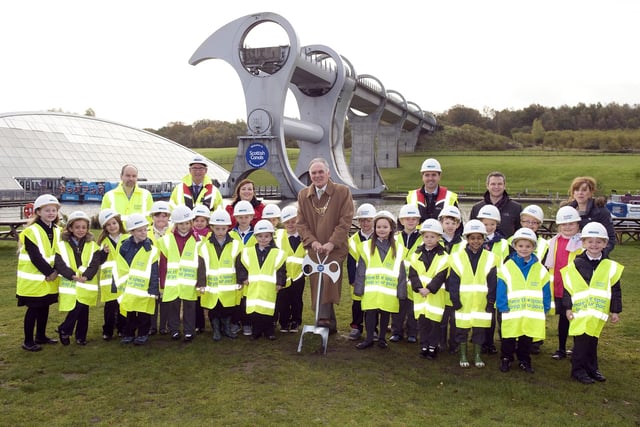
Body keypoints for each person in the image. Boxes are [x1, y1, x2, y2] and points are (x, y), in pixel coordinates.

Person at [297, 158, 354, 332]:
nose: (317, 175)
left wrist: (331, 243)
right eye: (314, 173)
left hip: (334, 248)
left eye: (321, 172)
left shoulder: (342, 191)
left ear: (328, 173)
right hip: (314, 248)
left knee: (328, 280)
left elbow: (346, 220)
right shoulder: (303, 195)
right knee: (317, 282)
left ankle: (322, 321)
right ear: (310, 175)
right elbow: (301, 223)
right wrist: (313, 242)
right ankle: (329, 323)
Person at [562, 222, 623, 384]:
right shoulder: (576, 264)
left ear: (605, 244)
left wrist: (615, 311)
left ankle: (591, 368)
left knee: (592, 341)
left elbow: (615, 290)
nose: (594, 245)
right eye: (590, 241)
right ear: (583, 243)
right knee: (581, 343)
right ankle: (578, 370)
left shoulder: (609, 266)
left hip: (597, 312)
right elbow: (568, 287)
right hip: (580, 312)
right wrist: (567, 308)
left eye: (598, 241)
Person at [497, 228, 551, 374]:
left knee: (526, 337)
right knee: (508, 336)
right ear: (514, 246)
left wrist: (545, 307)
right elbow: (502, 287)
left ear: (534, 247)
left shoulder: (540, 269)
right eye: (520, 246)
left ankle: (524, 360)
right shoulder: (507, 266)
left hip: (531, 311)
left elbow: (546, 289)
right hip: (511, 310)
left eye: (528, 246)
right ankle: (506, 358)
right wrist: (502, 305)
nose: (524, 249)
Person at [353, 211, 407, 349]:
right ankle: (369, 338)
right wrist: (358, 288)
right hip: (370, 289)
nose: (381, 230)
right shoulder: (366, 246)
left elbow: (401, 273)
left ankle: (382, 338)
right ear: (374, 228)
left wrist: (401, 292)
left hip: (388, 290)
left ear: (391, 229)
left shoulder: (399, 249)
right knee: (370, 314)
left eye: (385, 227)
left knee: (385, 315)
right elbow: (361, 270)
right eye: (378, 227)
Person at [447, 220, 497, 368]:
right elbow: (453, 282)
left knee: (479, 330)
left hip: (482, 302)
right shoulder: (457, 257)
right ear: (467, 239)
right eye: (472, 238)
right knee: (461, 329)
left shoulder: (490, 257)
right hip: (463, 301)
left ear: (484, 238)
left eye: (479, 238)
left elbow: (493, 282)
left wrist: (490, 301)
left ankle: (477, 355)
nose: (476, 241)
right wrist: (455, 299)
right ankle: (463, 354)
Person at [16, 194, 61, 351]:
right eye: (47, 210)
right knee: (33, 309)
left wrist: (56, 271)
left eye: (54, 210)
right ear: (38, 212)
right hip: (34, 279)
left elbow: (60, 253)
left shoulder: (57, 230)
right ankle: (28, 341)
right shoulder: (31, 231)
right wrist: (50, 272)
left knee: (44, 306)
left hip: (49, 279)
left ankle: (40, 336)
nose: (51, 213)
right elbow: (35, 256)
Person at [54, 211, 103, 346]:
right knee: (76, 307)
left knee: (84, 309)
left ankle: (80, 336)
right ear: (70, 228)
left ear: (87, 229)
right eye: (77, 227)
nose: (80, 230)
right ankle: (65, 329)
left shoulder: (92, 245)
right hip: (70, 281)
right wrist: (71, 275)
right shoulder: (62, 245)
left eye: (84, 227)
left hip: (86, 281)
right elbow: (59, 263)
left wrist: (86, 276)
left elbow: (95, 263)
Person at [236, 220, 287, 340]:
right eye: (260, 236)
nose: (263, 239)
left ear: (271, 237)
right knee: (255, 312)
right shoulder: (248, 252)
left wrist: (280, 283)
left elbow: (281, 270)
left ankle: (269, 331)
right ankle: (256, 331)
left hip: (269, 288)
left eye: (266, 236)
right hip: (254, 287)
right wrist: (243, 278)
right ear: (255, 237)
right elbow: (241, 266)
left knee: (269, 311)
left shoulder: (277, 253)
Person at [544, 205, 583, 360]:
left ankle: (577, 348)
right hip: (559, 288)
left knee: (575, 318)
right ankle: (561, 348)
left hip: (576, 289)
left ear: (578, 225)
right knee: (563, 320)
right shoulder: (553, 242)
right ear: (559, 226)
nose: (567, 227)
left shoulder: (582, 242)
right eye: (564, 224)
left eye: (571, 224)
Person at [197, 209, 242, 341]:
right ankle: (216, 330)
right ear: (211, 228)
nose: (221, 232)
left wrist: (240, 280)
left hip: (229, 286)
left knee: (228, 308)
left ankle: (226, 329)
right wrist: (201, 283)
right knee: (214, 309)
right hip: (211, 286)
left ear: (228, 227)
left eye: (223, 229)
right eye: (217, 229)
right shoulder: (204, 246)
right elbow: (201, 266)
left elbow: (239, 264)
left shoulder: (236, 245)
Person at [115, 213, 160, 345]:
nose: (143, 232)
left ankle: (142, 334)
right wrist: (116, 286)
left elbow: (154, 271)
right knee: (129, 313)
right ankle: (128, 333)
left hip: (144, 289)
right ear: (132, 231)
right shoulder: (124, 247)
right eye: (140, 230)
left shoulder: (151, 249)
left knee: (143, 314)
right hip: (128, 288)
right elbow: (118, 267)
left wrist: (153, 289)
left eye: (145, 229)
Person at [408, 219, 450, 360]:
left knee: (435, 324)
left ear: (439, 237)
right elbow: (412, 274)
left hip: (435, 296)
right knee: (423, 323)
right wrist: (419, 288)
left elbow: (441, 276)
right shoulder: (416, 254)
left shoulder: (444, 256)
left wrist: (429, 289)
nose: (429, 239)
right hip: (421, 296)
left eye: (433, 237)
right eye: (426, 236)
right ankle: (424, 346)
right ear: (422, 237)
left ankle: (433, 347)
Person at [157, 205, 199, 342]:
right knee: (172, 306)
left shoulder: (198, 240)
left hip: (190, 281)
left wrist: (200, 281)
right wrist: (162, 282)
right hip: (172, 280)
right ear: (175, 224)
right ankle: (174, 330)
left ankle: (189, 331)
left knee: (189, 307)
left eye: (187, 223)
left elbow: (201, 263)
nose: (184, 226)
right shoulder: (166, 240)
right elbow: (163, 262)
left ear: (191, 223)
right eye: (181, 223)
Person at [476, 204, 510, 355]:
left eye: (492, 224)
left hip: (497, 282)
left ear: (497, 224)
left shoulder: (503, 243)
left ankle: (499, 341)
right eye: (485, 224)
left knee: (498, 314)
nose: (488, 227)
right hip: (480, 282)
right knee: (484, 312)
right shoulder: (476, 240)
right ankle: (484, 341)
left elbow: (505, 263)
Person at [390, 204, 422, 344]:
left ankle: (412, 333)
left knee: (413, 309)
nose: (410, 221)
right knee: (397, 308)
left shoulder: (423, 238)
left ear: (418, 221)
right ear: (401, 221)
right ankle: (396, 332)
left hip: (415, 280)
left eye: (414, 219)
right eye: (407, 219)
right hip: (399, 279)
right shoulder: (395, 238)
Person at [346, 203, 376, 341]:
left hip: (374, 278)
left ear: (373, 221)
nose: (365, 223)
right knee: (357, 304)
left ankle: (373, 329)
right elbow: (351, 262)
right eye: (362, 220)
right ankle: (356, 327)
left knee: (372, 306)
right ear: (358, 221)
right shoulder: (353, 240)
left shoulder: (379, 238)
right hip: (358, 278)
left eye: (368, 220)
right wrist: (352, 279)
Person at [96, 208, 127, 341]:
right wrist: (103, 253)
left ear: (119, 223)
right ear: (105, 227)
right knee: (110, 306)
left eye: (114, 223)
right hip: (108, 280)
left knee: (123, 305)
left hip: (123, 278)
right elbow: (98, 261)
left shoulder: (128, 238)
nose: (112, 226)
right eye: (108, 225)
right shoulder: (102, 242)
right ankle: (107, 330)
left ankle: (122, 328)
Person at [274, 206, 306, 333]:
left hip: (299, 275)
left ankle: (296, 321)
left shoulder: (304, 236)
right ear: (283, 223)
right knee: (283, 300)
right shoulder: (278, 235)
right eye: (287, 222)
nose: (290, 224)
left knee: (297, 300)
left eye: (293, 221)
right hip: (283, 275)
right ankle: (284, 322)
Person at [437, 205, 465, 354]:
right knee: (441, 317)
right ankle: (441, 341)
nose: (450, 226)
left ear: (458, 225)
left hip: (456, 287)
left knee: (455, 319)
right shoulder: (435, 241)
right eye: (447, 223)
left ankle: (454, 343)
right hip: (440, 287)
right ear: (441, 223)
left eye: (453, 223)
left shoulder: (463, 244)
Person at [566, 176, 616, 256]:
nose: (580, 193)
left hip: (594, 256)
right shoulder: (567, 211)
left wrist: (601, 254)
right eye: (577, 190)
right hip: (570, 255)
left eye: (584, 190)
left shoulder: (601, 211)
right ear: (573, 193)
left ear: (591, 192)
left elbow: (611, 238)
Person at [406, 158, 459, 223]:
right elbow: (402, 224)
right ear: (422, 177)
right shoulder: (411, 197)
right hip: (418, 233)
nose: (430, 178)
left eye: (434, 175)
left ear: (439, 176)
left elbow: (458, 227)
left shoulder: (450, 198)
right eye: (427, 175)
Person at [470, 171, 522, 237]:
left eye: (499, 184)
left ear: (504, 186)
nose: (496, 187)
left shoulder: (516, 208)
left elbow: (520, 233)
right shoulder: (477, 208)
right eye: (493, 184)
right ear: (487, 186)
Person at [147, 200, 171, 335]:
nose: (161, 219)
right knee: (152, 298)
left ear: (168, 217)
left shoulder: (173, 231)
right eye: (157, 215)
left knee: (166, 300)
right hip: (151, 270)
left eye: (164, 215)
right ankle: (152, 326)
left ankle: (164, 326)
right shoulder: (146, 231)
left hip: (168, 269)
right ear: (152, 217)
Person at [191, 204, 212, 334]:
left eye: (202, 221)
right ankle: (197, 323)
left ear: (207, 222)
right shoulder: (190, 234)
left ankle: (207, 322)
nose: (199, 223)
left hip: (206, 270)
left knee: (205, 298)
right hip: (192, 269)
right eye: (197, 220)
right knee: (195, 300)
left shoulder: (210, 235)